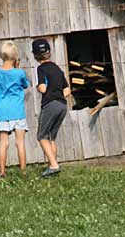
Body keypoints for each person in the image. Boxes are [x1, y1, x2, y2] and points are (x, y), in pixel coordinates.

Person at [0, 41, 30, 178]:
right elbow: (25, 85)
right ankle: (23, 171)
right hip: (18, 111)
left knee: (3, 142)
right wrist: (18, 68)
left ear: (1, 56)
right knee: (20, 142)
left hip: (2, 112)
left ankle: (2, 172)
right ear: (16, 58)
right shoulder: (19, 73)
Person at [32, 39, 71, 177]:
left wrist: (39, 87)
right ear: (49, 52)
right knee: (51, 137)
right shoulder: (57, 68)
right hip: (62, 105)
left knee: (41, 136)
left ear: (35, 55)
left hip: (50, 104)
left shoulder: (40, 69)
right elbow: (67, 91)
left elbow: (43, 88)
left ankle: (54, 166)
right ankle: (53, 165)